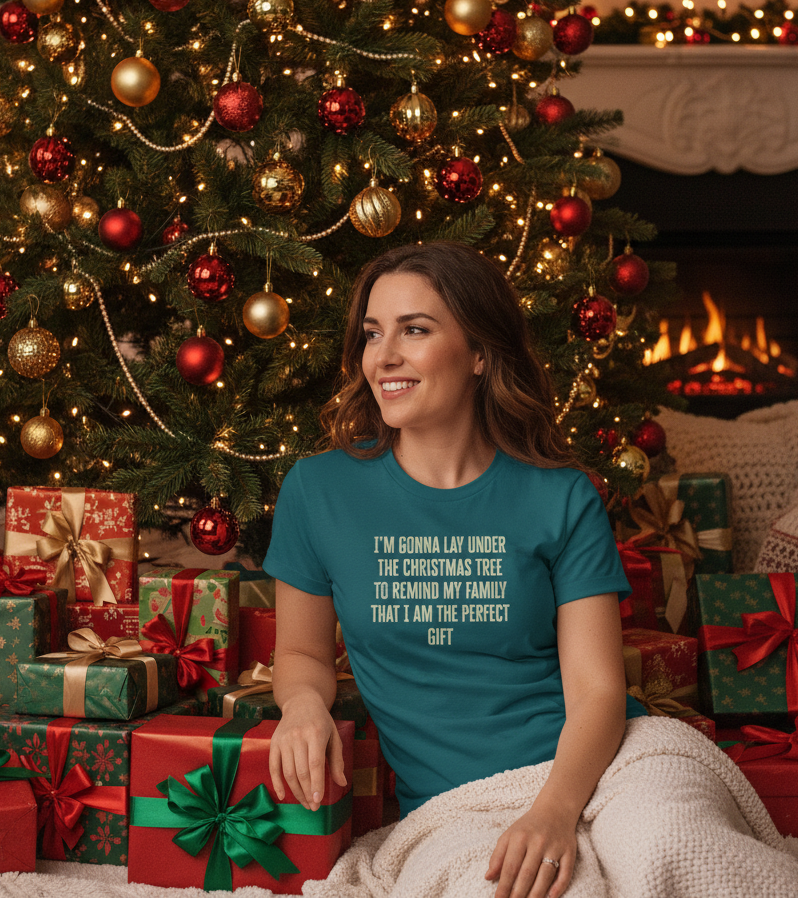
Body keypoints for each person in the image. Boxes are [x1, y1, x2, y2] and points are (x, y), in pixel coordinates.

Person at [263, 240, 647, 898]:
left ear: (478, 353)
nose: (383, 357)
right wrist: (301, 707)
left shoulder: (560, 495)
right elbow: (300, 652)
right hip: (457, 803)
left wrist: (554, 813)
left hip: (613, 763)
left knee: (680, 849)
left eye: (415, 330)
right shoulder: (318, 490)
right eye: (373, 333)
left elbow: (597, 692)